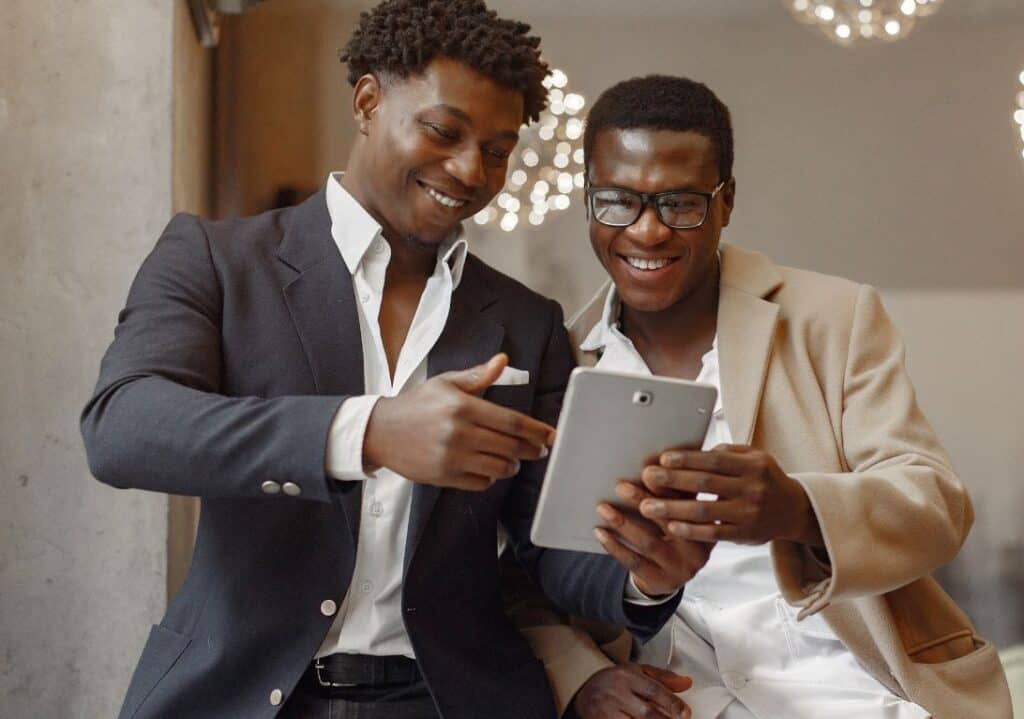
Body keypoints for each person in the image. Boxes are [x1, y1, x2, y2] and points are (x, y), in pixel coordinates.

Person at [79, 6, 693, 718]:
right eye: (443, 132)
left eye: (497, 151)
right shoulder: (218, 261)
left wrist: (644, 577)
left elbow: (548, 546)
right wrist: (367, 432)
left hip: (449, 700)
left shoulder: (528, 322)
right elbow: (124, 427)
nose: (470, 171)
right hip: (243, 694)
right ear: (368, 101)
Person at [521, 75, 1012, 719]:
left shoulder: (832, 317)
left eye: (680, 203)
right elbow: (528, 573)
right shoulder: (560, 360)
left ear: (725, 201)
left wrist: (799, 509)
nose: (647, 231)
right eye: (617, 201)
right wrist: (583, 676)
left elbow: (936, 504)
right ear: (589, 200)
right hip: (682, 696)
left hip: (854, 688)